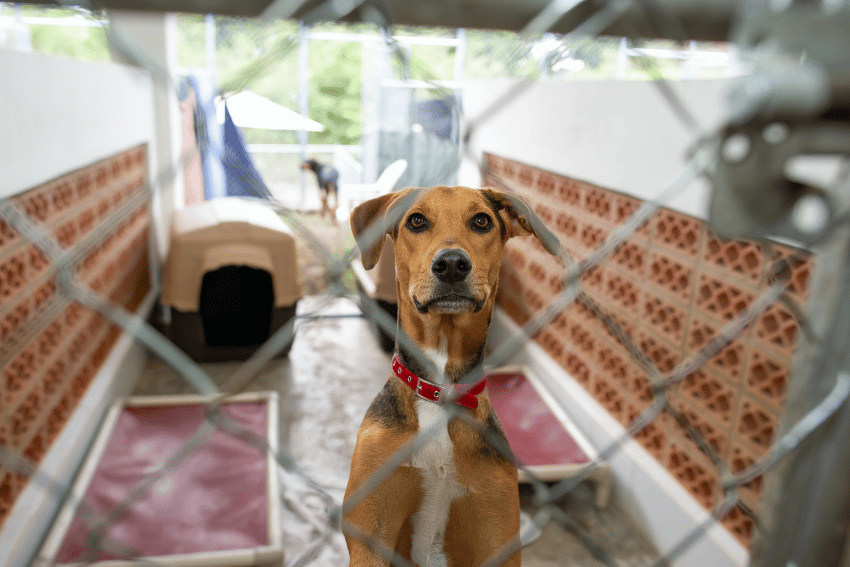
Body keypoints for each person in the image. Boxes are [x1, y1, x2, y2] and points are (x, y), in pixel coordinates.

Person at [302, 159, 339, 223]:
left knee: (328, 199)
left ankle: (331, 216)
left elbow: (323, 192)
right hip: (332, 177)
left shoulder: (320, 172)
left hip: (328, 178)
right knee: (331, 199)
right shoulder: (321, 168)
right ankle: (328, 214)